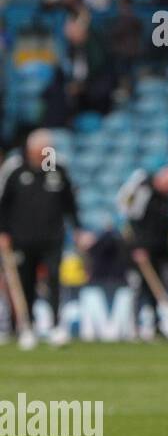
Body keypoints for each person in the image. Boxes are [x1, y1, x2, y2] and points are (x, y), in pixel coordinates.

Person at [0, 129, 83, 348]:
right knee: (24, 282)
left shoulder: (58, 170)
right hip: (21, 238)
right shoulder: (15, 169)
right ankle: (24, 326)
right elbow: (3, 204)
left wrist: (77, 228)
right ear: (30, 149)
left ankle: (56, 325)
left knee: (55, 279)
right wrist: (3, 232)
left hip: (52, 237)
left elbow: (70, 204)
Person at [117, 166, 168, 334]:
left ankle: (156, 325)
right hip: (140, 250)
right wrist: (137, 247)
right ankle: (135, 326)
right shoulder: (144, 191)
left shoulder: (165, 196)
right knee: (139, 288)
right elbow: (132, 220)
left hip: (158, 248)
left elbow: (164, 222)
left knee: (156, 287)